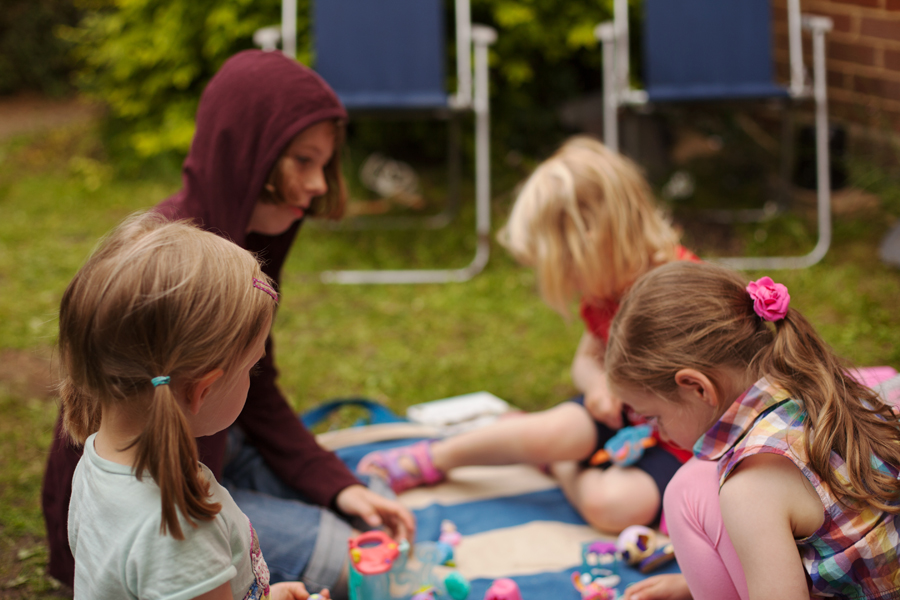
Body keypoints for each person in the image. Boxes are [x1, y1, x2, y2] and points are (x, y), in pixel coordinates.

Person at [41, 49, 414, 596]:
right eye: (303, 161)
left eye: (324, 165)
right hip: (166, 462)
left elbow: (255, 393)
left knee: (363, 515)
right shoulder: (171, 264)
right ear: (247, 153)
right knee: (350, 562)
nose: (316, 185)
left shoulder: (248, 242)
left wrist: (336, 487)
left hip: (200, 445)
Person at [359, 136, 697, 532]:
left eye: (568, 271)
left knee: (612, 506)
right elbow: (586, 359)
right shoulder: (605, 290)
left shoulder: (680, 292)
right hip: (625, 414)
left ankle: (560, 465)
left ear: (593, 242)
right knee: (553, 429)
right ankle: (435, 457)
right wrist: (598, 386)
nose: (572, 288)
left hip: (685, 440)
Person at [606, 261, 900, 600]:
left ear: (697, 388)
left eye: (653, 417)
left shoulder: (752, 486)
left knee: (685, 491)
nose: (657, 432)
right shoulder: (819, 385)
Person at [62, 213, 321, 599]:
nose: (254, 376)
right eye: (252, 367)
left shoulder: (101, 457)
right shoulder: (183, 532)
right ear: (202, 390)